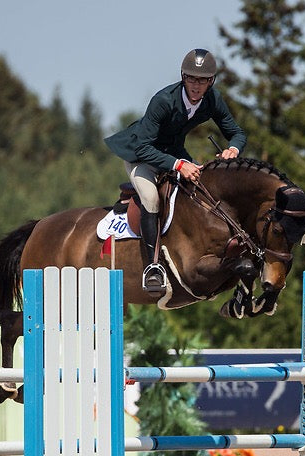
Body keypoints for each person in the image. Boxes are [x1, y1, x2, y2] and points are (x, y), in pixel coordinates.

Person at [105, 48, 247, 294]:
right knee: (151, 199)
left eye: (202, 80)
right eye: (191, 78)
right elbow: (143, 147)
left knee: (202, 189)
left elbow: (236, 132)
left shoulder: (212, 99)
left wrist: (232, 149)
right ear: (183, 77)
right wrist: (179, 164)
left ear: (211, 81)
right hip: (141, 155)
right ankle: (152, 267)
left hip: (173, 152)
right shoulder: (164, 100)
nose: (196, 85)